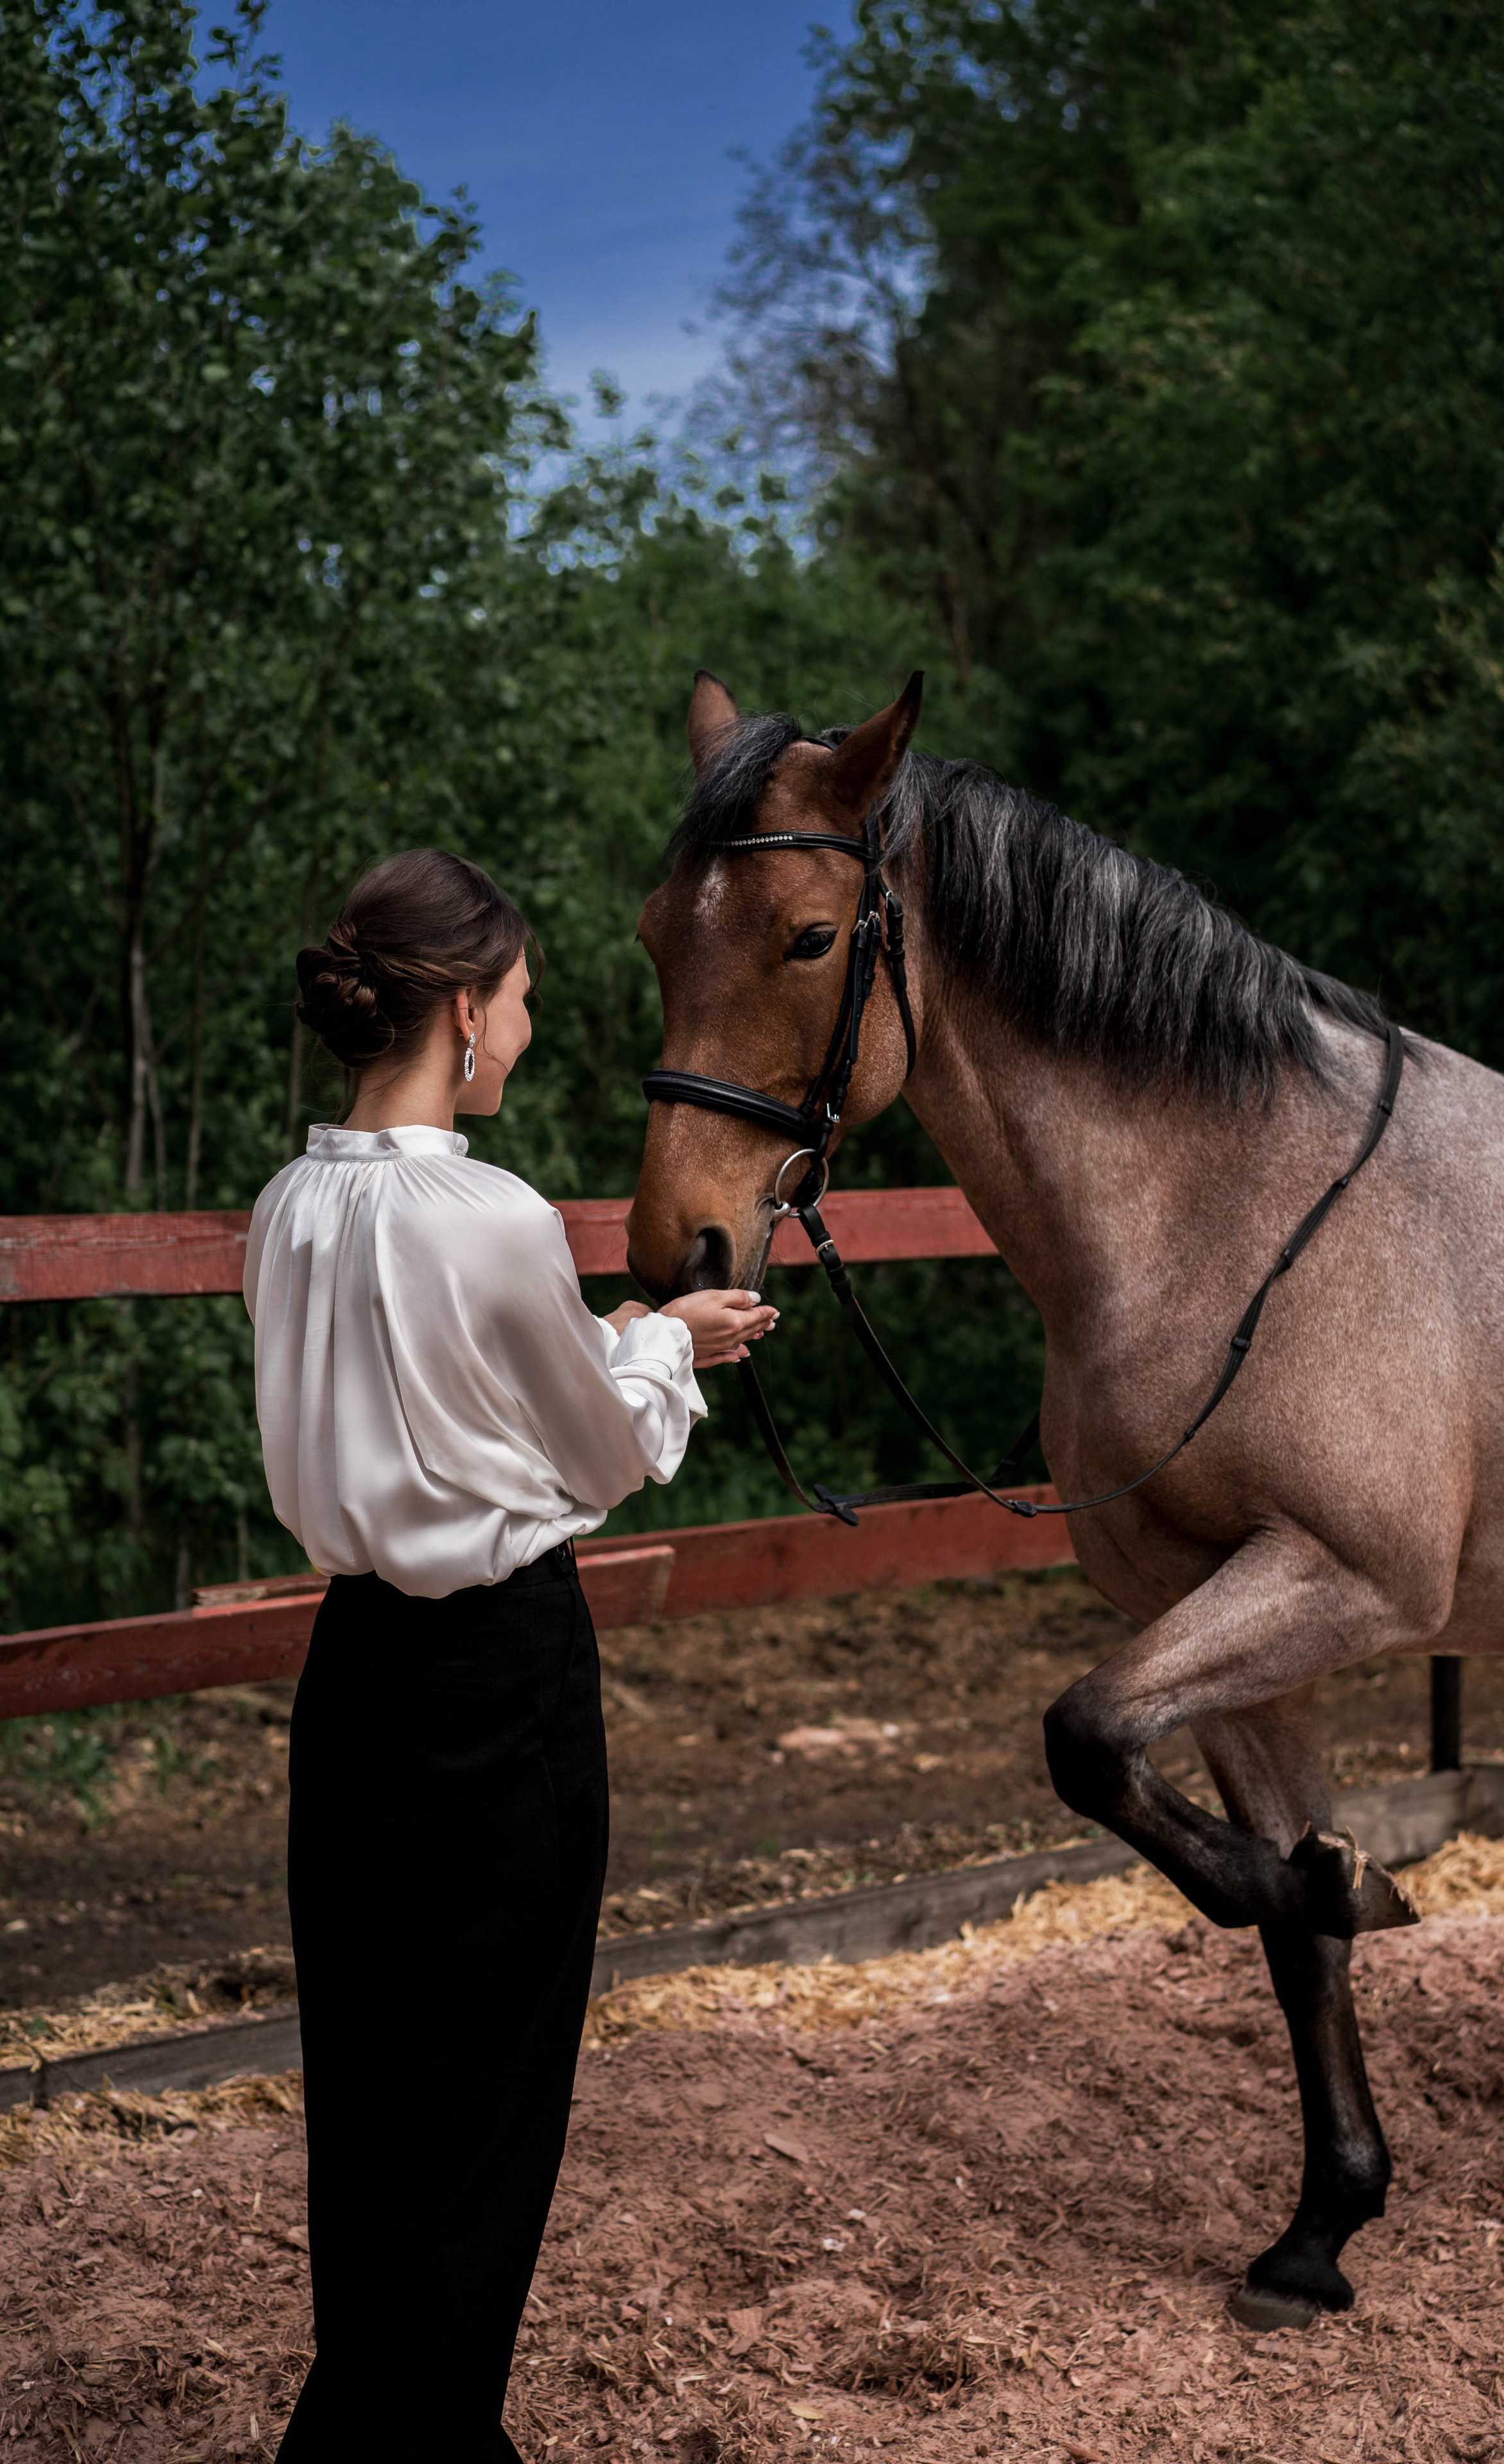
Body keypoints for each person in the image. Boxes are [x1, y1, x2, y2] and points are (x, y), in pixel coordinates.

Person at [244, 848, 775, 2458]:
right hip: (501, 1676)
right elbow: (590, 1458)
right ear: (466, 1012)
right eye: (527, 1002)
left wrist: (626, 1348)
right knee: (487, 2100)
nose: (532, 1033)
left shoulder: (289, 1209)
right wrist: (668, 1348)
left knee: (374, 2082)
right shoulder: (488, 1215)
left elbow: (446, 1409)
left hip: (355, 1679)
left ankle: (365, 2426)